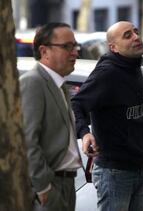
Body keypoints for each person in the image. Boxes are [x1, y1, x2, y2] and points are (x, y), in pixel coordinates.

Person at [71, 21, 143, 211]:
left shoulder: (133, 68)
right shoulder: (108, 73)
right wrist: (85, 133)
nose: (136, 37)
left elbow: (134, 112)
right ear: (114, 47)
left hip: (136, 168)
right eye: (127, 35)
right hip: (114, 172)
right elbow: (77, 104)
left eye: (136, 32)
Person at [20, 22, 82, 211]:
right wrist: (43, 187)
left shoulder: (59, 84)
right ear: (44, 51)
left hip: (67, 184)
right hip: (49, 186)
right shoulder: (33, 82)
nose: (75, 52)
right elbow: (27, 140)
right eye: (67, 46)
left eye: (75, 45)